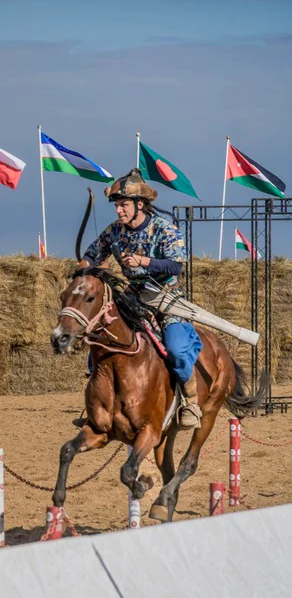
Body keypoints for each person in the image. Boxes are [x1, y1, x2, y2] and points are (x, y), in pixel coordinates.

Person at [77, 169, 203, 429]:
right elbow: (92, 255)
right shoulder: (114, 232)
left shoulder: (164, 229)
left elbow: (177, 266)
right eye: (117, 206)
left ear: (140, 205)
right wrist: (84, 265)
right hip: (130, 299)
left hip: (165, 298)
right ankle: (99, 404)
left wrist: (144, 261)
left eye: (123, 205)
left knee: (177, 350)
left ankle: (191, 402)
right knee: (99, 344)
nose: (119, 211)